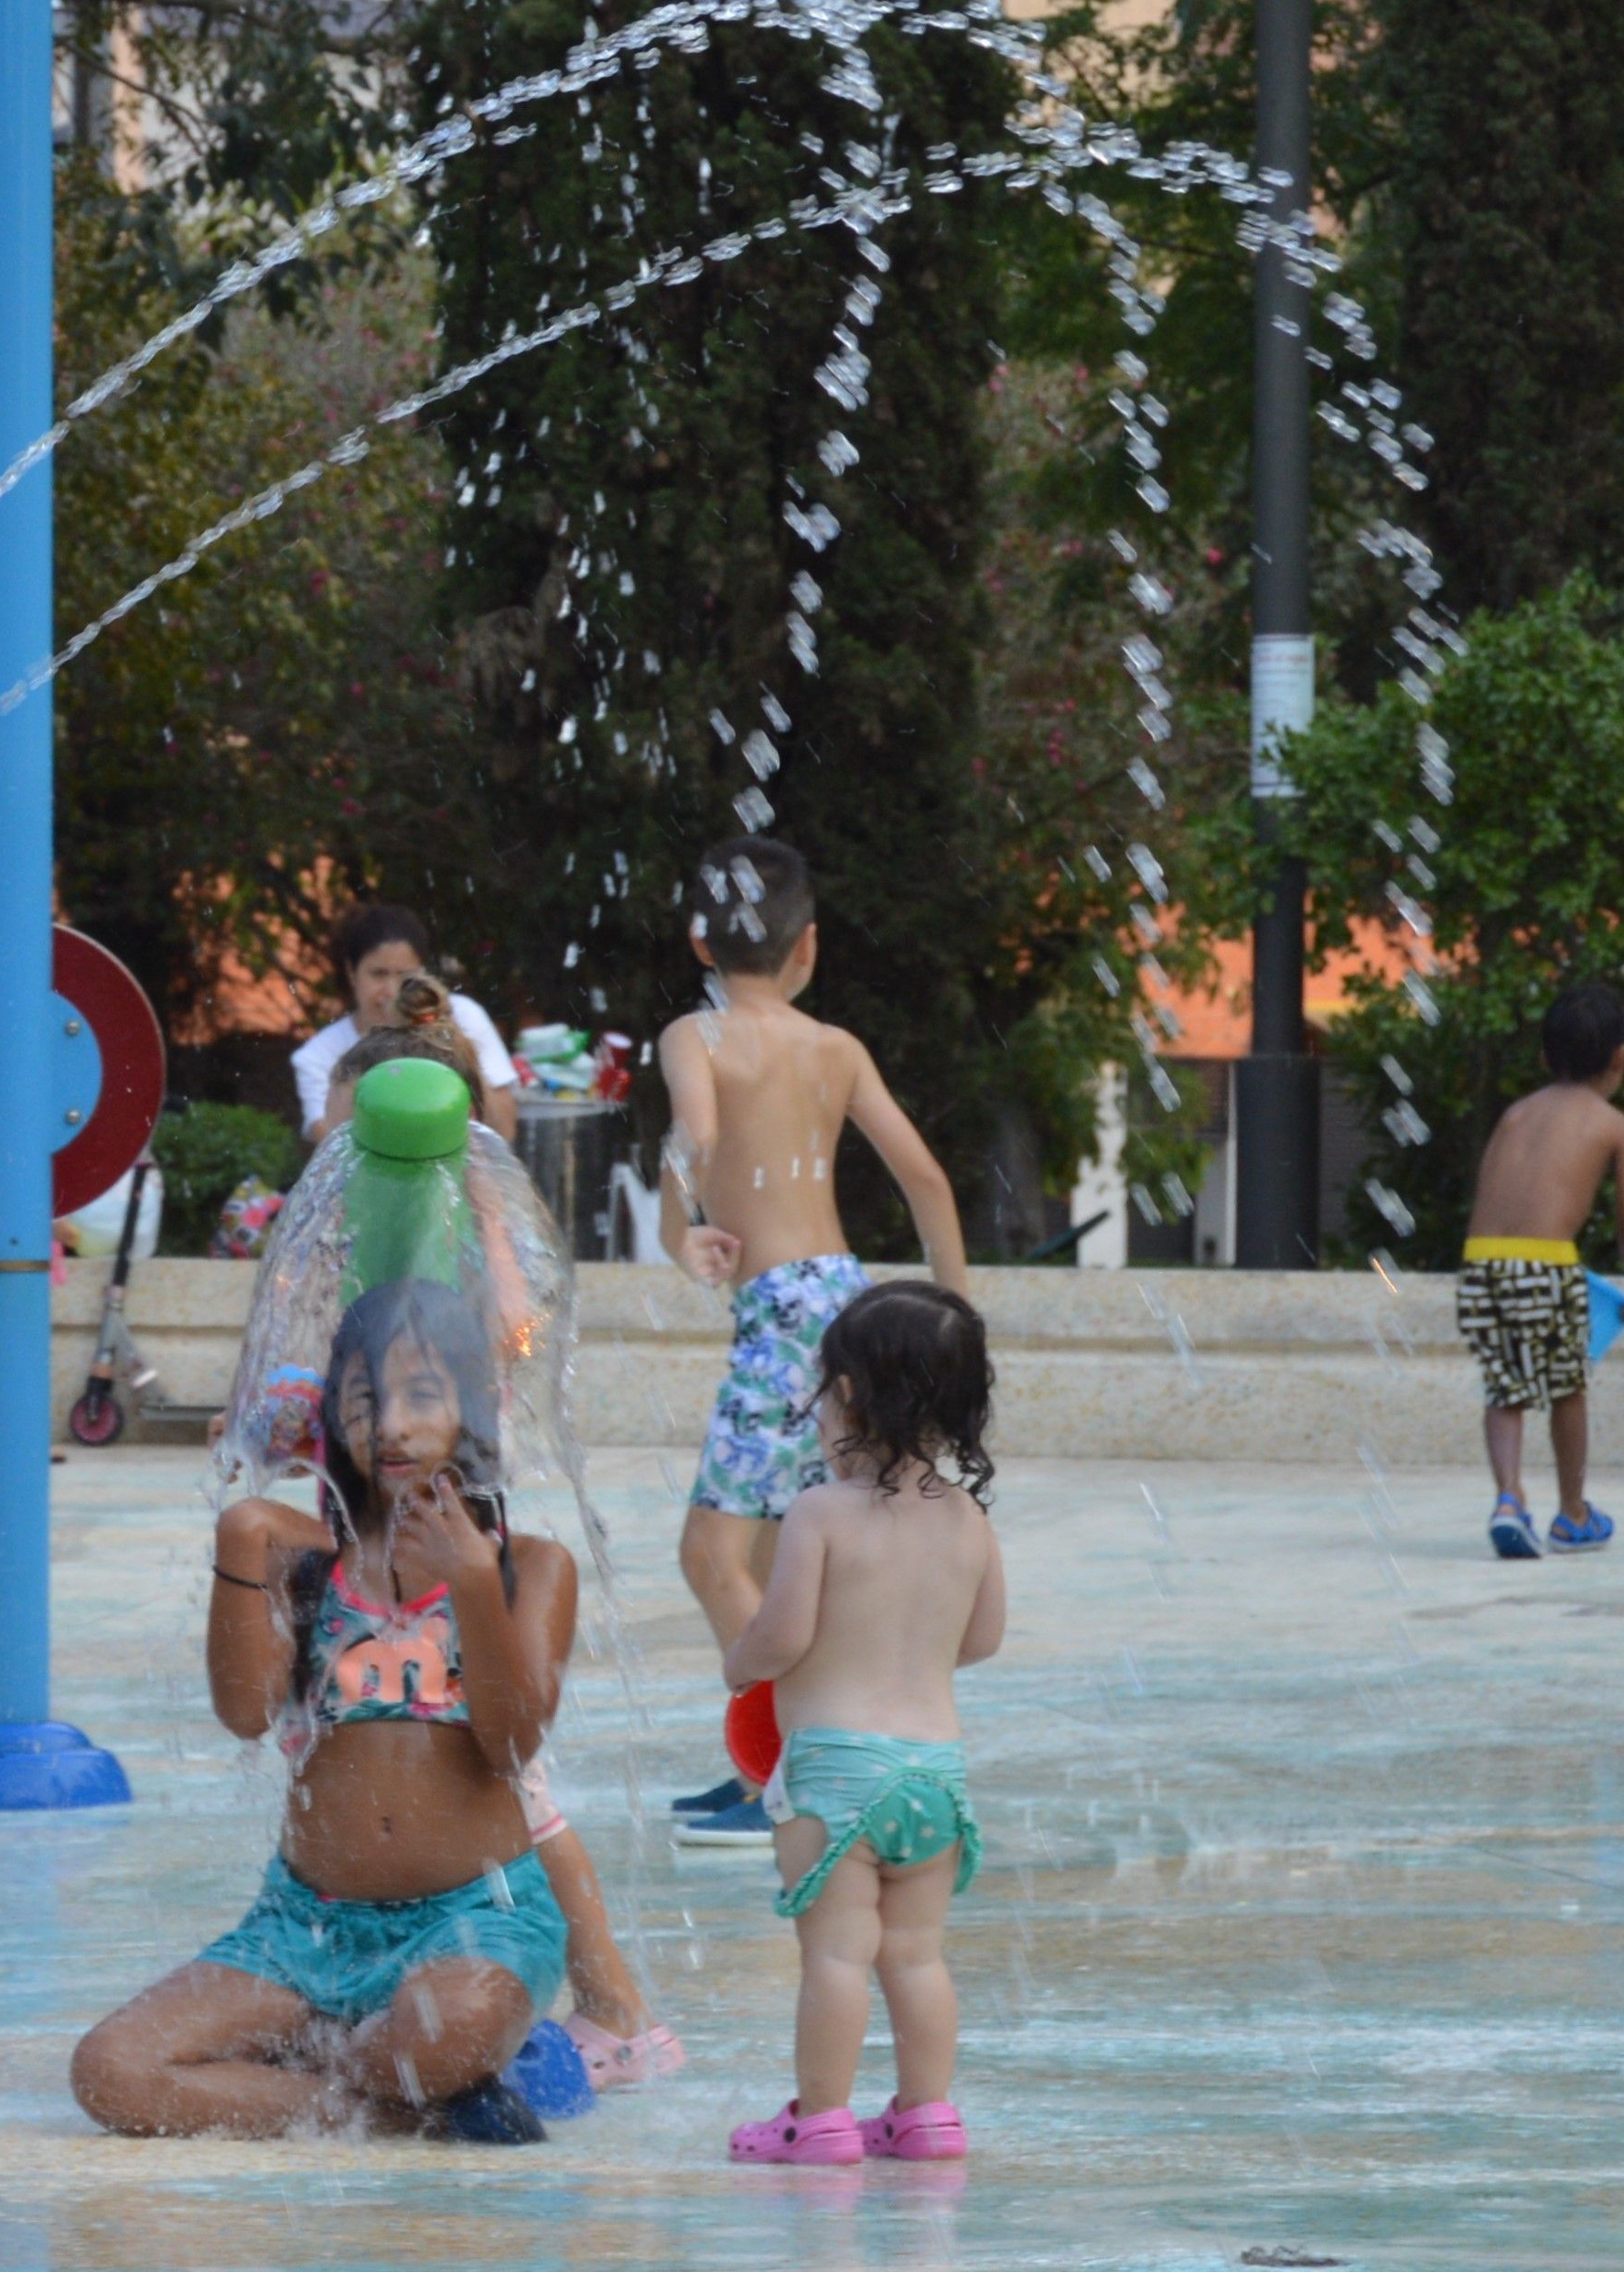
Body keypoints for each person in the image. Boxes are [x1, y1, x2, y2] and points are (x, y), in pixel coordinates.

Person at [70, 1275, 576, 2143]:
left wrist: (470, 1584)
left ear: (476, 1408)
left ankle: (370, 2058)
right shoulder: (302, 1560)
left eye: (422, 1395)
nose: (388, 1426)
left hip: (471, 1918)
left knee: (449, 2026)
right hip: (300, 1929)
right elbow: (242, 1712)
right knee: (111, 2072)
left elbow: (509, 1741)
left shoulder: (529, 1564)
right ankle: (387, 2107)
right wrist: (240, 1547)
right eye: (363, 1400)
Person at [325, 1014, 673, 2084]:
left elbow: (517, 1324)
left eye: (353, 1127)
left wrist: (451, 1368)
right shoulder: (359, 1220)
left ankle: (620, 2009)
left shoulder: (462, 1206)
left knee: (519, 1785)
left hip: (453, 1505)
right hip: (380, 1503)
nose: (338, 1147)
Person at [651, 845, 968, 1849]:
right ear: (810, 946)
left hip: (781, 1310)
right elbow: (925, 1177)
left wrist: (675, 1228)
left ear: (698, 939)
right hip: (844, 1293)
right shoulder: (836, 1046)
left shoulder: (694, 1034)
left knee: (711, 1551)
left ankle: (789, 1763)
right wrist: (955, 1313)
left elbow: (692, 1140)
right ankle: (790, 1755)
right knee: (786, 1543)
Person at [719, 1280, 1007, 2164]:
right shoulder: (967, 1519)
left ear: (846, 1395)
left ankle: (822, 2120)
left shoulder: (820, 1511)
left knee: (837, 1956)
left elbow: (783, 1634)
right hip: (934, 1774)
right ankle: (926, 2115)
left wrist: (742, 1661)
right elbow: (983, 1638)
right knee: (915, 1956)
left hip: (834, 1772)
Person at [1460, 979, 1624, 1557]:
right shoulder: (1614, 1125)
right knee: (1566, 1390)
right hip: (1545, 1268)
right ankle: (1573, 1514)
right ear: (1620, 1058)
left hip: (1480, 1266)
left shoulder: (1515, 1116)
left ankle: (1509, 1498)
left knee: (1505, 1388)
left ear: (1546, 1057)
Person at [291, 901, 522, 1146]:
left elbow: (504, 1132)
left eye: (405, 975)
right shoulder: (318, 1055)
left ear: (422, 972)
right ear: (351, 972)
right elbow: (332, 1150)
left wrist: (457, 1050)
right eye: (379, 974)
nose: (391, 991)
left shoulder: (463, 1015)